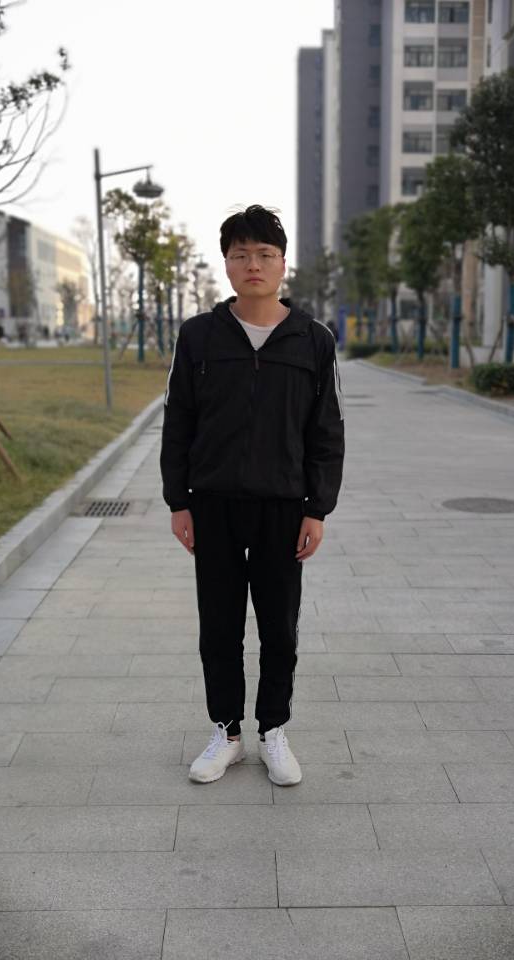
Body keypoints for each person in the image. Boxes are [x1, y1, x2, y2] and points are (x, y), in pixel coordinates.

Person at [160, 205, 344, 786]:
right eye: (241, 254)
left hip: (283, 508)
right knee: (219, 626)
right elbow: (178, 421)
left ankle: (273, 731)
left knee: (279, 628)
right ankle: (227, 734)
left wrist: (317, 508)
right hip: (212, 504)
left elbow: (326, 431)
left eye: (265, 254)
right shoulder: (198, 336)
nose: (253, 264)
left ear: (283, 263)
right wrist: (178, 501)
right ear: (227, 264)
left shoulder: (313, 340)